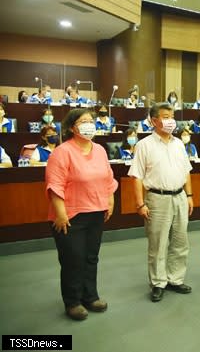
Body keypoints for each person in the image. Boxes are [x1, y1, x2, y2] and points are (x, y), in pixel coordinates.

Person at [46, 108, 118, 320]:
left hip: (96, 212)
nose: (89, 124)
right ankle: (73, 301)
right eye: (84, 121)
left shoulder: (100, 150)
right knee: (72, 259)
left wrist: (110, 201)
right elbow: (55, 185)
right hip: (70, 215)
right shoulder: (62, 152)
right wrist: (60, 214)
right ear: (71, 127)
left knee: (90, 257)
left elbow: (108, 179)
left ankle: (90, 296)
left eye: (91, 120)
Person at [128, 103, 194, 302]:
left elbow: (186, 171)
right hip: (157, 199)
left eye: (172, 116)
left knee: (181, 242)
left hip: (180, 196)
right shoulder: (144, 145)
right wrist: (140, 203)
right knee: (158, 244)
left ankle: (175, 279)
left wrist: (189, 195)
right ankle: (158, 282)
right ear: (154, 120)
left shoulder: (179, 144)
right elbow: (136, 176)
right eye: (166, 116)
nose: (171, 120)